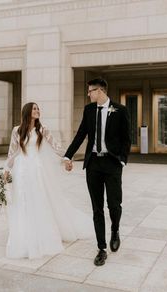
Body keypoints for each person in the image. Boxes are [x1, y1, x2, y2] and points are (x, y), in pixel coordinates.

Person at [4, 102, 94, 259]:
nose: (37, 111)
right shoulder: (17, 130)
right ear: (27, 112)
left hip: (37, 169)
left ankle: (43, 233)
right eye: (34, 109)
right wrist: (6, 169)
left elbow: (56, 146)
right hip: (22, 169)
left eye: (38, 109)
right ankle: (25, 235)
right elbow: (13, 152)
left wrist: (67, 158)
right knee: (23, 200)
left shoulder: (42, 129)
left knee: (39, 200)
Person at [64, 77, 131, 266]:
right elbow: (80, 135)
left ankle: (115, 230)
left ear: (100, 91)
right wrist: (68, 156)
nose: (88, 94)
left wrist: (122, 161)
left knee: (114, 204)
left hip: (112, 164)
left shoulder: (120, 110)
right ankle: (101, 248)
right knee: (97, 208)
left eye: (90, 91)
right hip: (93, 164)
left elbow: (127, 138)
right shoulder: (89, 110)